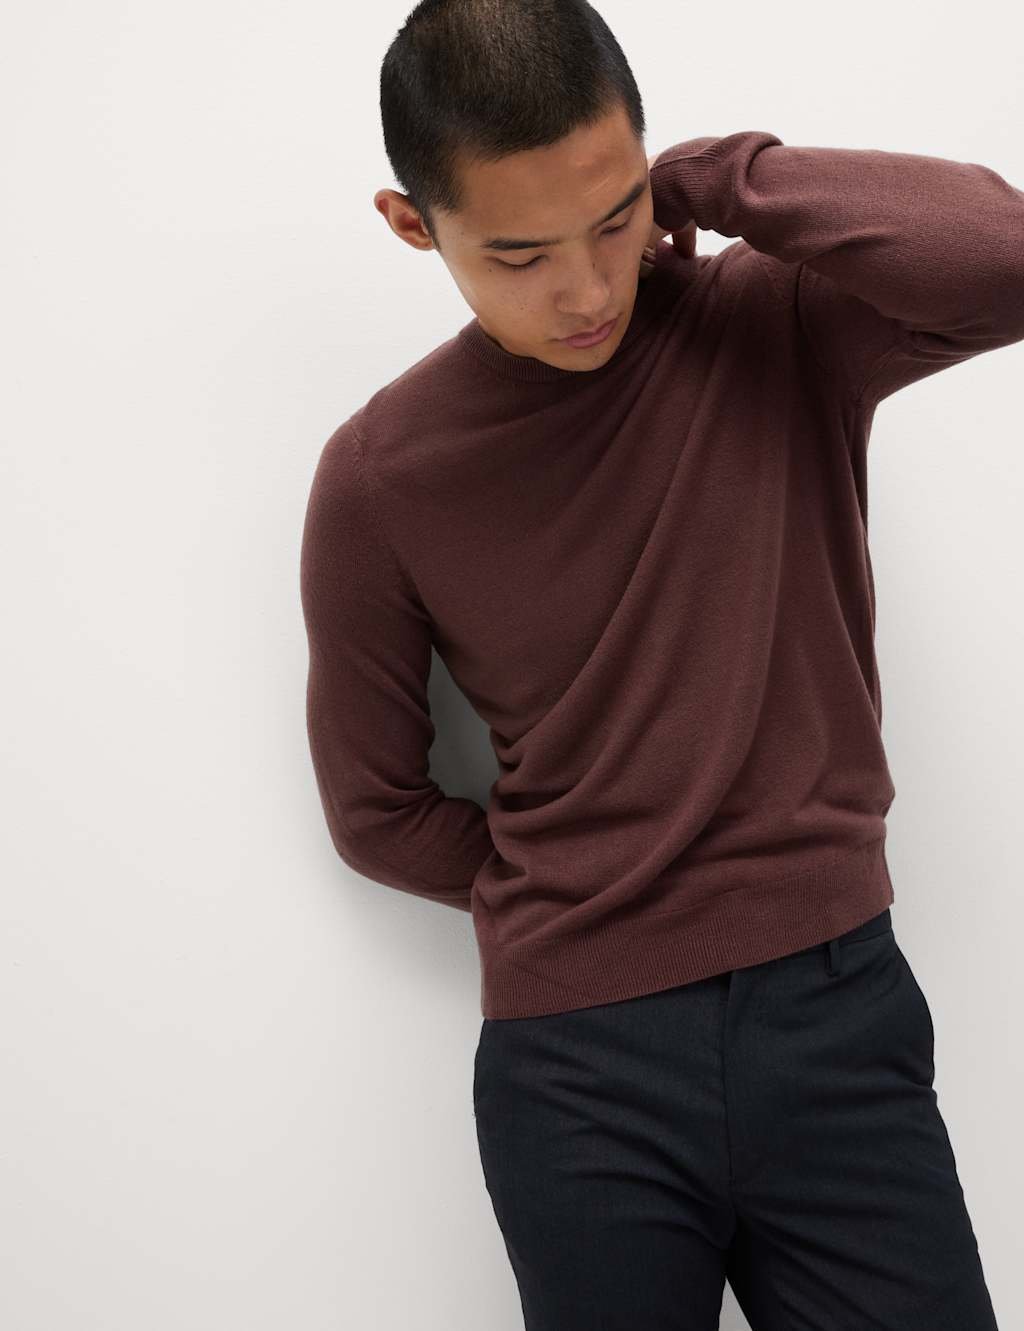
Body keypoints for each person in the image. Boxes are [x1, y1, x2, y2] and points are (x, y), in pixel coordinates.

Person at [299, 1, 1023, 1325]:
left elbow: (1006, 258)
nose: (586, 292)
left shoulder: (771, 323)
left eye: (615, 217)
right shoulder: (378, 478)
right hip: (578, 1070)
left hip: (838, 1011)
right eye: (520, 254)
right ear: (414, 225)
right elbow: (375, 811)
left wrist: (718, 181)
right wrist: (580, 890)